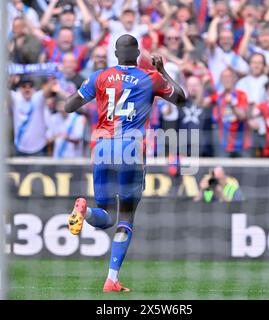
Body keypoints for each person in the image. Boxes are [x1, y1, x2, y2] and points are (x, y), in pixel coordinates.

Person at [64, 34, 185, 292]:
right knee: (125, 217)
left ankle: (84, 212)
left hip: (103, 148)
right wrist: (162, 70)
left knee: (106, 215)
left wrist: (91, 94)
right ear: (138, 53)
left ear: (115, 54)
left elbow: (69, 106)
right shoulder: (150, 78)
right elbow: (181, 98)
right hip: (131, 149)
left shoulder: (99, 76)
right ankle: (112, 278)